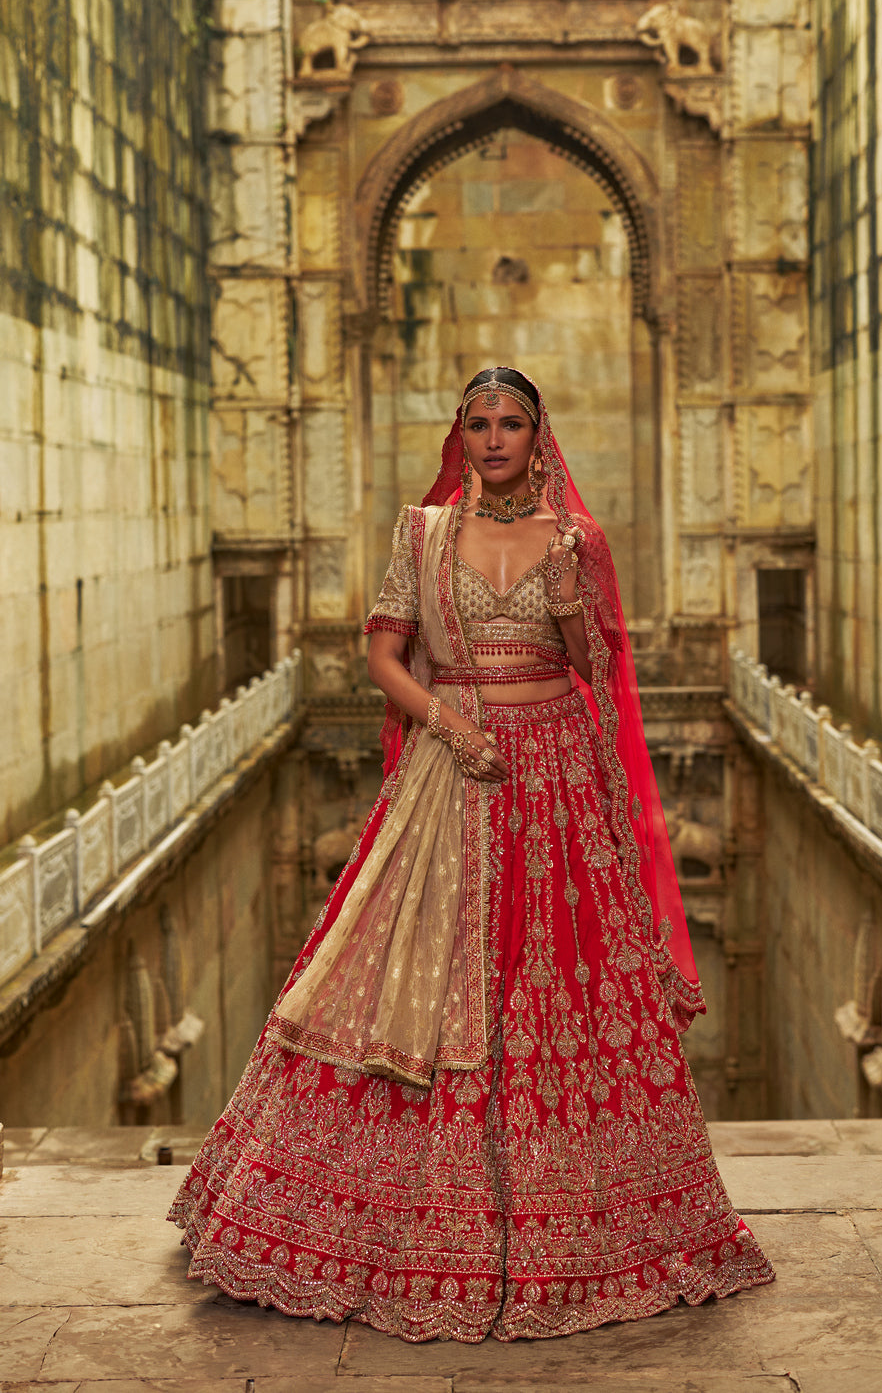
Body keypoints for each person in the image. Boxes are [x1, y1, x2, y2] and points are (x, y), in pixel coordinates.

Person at [168, 366, 774, 1342]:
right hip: (453, 778)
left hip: (557, 783)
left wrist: (574, 601)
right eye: (480, 424)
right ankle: (357, 1224)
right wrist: (450, 728)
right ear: (463, 436)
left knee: (556, 985)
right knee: (414, 978)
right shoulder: (423, 533)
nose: (495, 440)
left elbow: (595, 672)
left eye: (512, 425)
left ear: (539, 441)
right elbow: (380, 656)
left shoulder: (574, 541)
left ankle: (581, 1226)